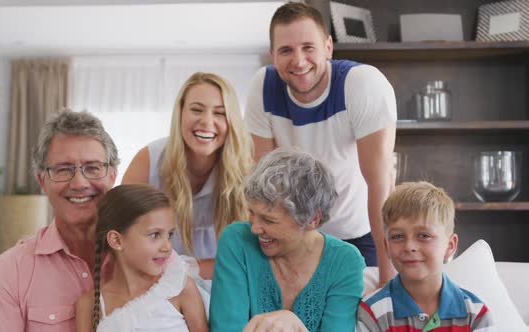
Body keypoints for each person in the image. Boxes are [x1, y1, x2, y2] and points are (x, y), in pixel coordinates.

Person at [244, 2, 397, 284]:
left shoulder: (362, 84)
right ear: (272, 55)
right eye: (286, 50)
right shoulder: (262, 89)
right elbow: (264, 186)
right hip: (297, 235)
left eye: (308, 47)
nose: (299, 61)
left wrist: (389, 274)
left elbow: (380, 183)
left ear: (328, 46)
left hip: (360, 233)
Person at [0, 110, 119, 331]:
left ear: (112, 175)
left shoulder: (149, 255)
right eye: (64, 169)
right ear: (42, 181)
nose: (79, 182)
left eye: (93, 168)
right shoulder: (12, 271)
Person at [210, 148, 365, 331]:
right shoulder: (236, 241)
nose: (254, 228)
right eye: (251, 212)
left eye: (269, 220)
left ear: (312, 219)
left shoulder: (345, 262)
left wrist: (295, 326)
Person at [122, 72, 254, 279]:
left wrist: (185, 270)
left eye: (220, 113)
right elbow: (123, 243)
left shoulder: (246, 171)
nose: (207, 121)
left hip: (223, 283)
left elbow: (252, 259)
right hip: (154, 283)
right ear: (180, 113)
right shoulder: (148, 160)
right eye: (196, 110)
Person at [356, 182, 494, 331]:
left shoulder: (476, 314)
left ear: (450, 245)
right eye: (397, 236)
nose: (409, 246)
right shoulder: (372, 312)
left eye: (423, 235)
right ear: (386, 246)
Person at [75, 184, 208, 332]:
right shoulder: (90, 305)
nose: (167, 247)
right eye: (154, 235)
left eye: (169, 235)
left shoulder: (179, 287)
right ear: (117, 240)